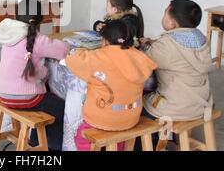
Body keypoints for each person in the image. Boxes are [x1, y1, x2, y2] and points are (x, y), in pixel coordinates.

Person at [65, 20, 157, 151]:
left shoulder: (98, 56)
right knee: (116, 136)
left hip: (100, 118)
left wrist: (81, 50)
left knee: (81, 137)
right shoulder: (139, 56)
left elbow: (71, 59)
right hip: (130, 118)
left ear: (104, 41)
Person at [0, 0, 70, 150]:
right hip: (27, 98)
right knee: (61, 108)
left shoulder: (8, 35)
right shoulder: (38, 40)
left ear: (16, 17)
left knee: (47, 104)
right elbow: (63, 50)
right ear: (40, 19)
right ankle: (53, 148)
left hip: (4, 94)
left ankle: (36, 142)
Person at [141, 0, 214, 122]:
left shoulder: (166, 44)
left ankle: (152, 139)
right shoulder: (202, 39)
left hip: (174, 108)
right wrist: (155, 43)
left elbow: (144, 59)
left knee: (137, 101)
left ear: (172, 24)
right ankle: (173, 137)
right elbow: (178, 52)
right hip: (200, 105)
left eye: (165, 12)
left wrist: (146, 45)